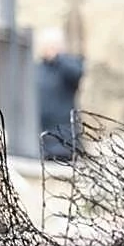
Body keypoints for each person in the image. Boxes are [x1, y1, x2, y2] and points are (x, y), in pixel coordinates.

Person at [36, 27, 84, 162]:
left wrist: (58, 57)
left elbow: (76, 74)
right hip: (41, 140)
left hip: (65, 142)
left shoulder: (70, 65)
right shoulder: (37, 69)